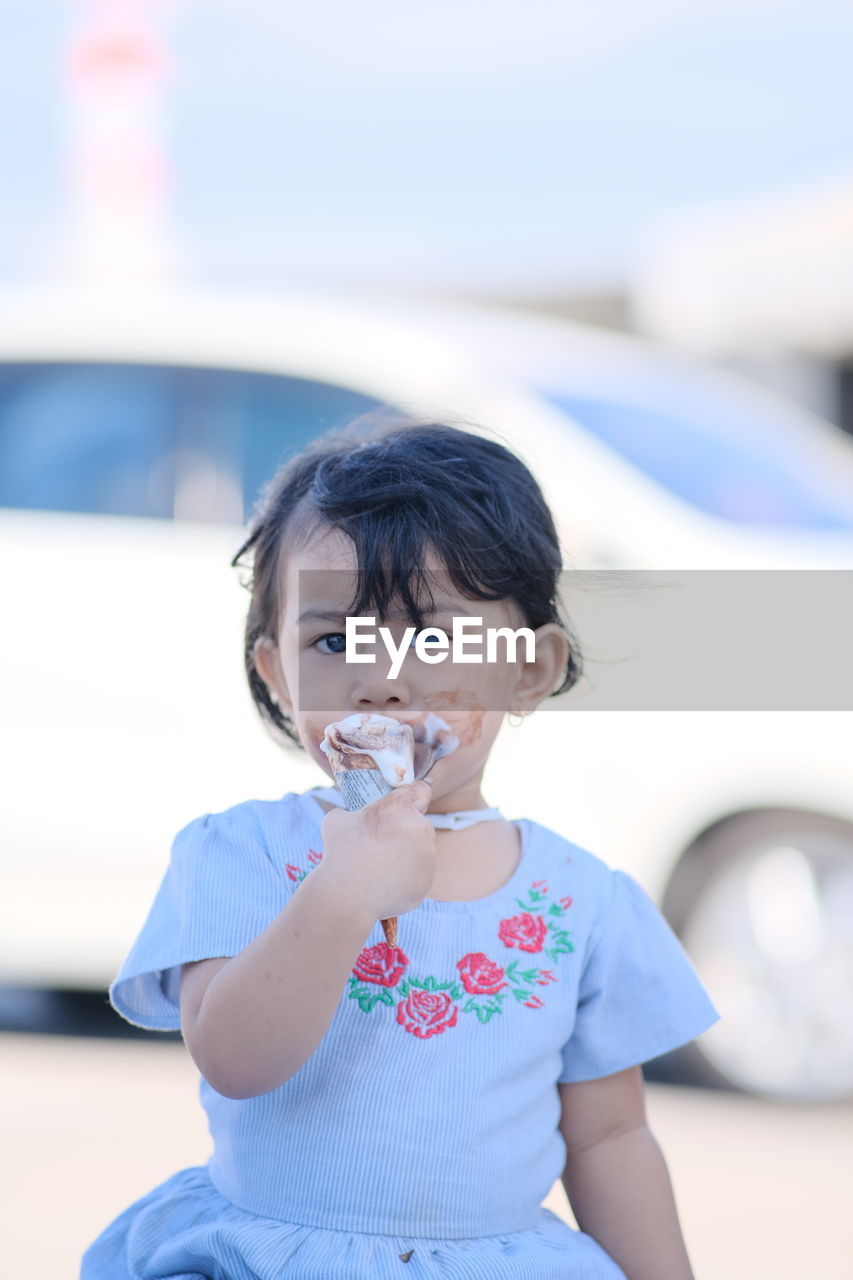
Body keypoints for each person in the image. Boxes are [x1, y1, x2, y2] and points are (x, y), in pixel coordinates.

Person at [81, 416, 720, 1280]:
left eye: (434, 637)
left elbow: (609, 1136)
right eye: (334, 641)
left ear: (526, 671)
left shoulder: (581, 899)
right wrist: (343, 892)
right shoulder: (242, 853)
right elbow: (233, 1060)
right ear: (277, 673)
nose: (381, 678)